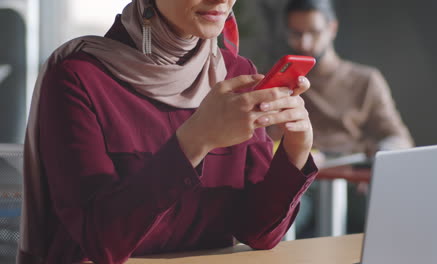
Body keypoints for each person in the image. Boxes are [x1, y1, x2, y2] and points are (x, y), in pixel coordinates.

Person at [18, 0, 318, 263]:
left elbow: (259, 233)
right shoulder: (78, 77)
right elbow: (100, 242)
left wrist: (296, 148)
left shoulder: (236, 73)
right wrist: (196, 140)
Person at [277, 0, 414, 238]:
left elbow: (398, 137)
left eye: (313, 32)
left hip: (350, 178)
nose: (305, 43)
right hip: (302, 180)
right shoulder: (281, 81)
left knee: (385, 211)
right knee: (284, 214)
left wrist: (377, 166)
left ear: (332, 28)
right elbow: (265, 140)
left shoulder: (365, 80)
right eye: (297, 34)